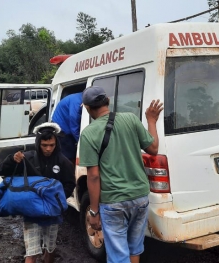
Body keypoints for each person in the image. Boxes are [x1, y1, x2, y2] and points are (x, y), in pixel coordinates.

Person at [79, 86, 163, 263]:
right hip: (140, 198)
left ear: (87, 108)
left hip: (114, 202)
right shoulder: (131, 119)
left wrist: (94, 211)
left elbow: (93, 176)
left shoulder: (88, 134)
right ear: (107, 100)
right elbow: (153, 149)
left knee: (118, 257)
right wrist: (151, 121)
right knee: (134, 250)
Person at [0, 122, 76, 263]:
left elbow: (70, 184)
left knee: (50, 249)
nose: (48, 149)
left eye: (51, 145)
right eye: (44, 145)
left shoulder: (64, 162)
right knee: (31, 252)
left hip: (52, 212)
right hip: (31, 212)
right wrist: (11, 160)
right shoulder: (27, 158)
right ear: (38, 143)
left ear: (56, 144)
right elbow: (2, 171)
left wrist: (57, 200)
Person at [52, 92, 83, 164]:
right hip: (63, 133)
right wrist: (82, 143)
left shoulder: (78, 97)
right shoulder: (77, 102)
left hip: (66, 130)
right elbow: (74, 127)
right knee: (68, 159)